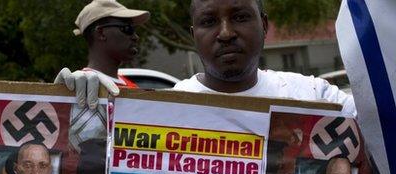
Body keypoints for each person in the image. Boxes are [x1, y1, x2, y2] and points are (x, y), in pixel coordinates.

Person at [56, 0, 356, 118]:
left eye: (239, 17)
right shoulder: (164, 114)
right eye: (209, 22)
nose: (225, 33)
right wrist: (66, 113)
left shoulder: (317, 97)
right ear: (193, 34)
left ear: (264, 26)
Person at [54, 0, 150, 109]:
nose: (135, 37)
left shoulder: (133, 87)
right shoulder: (78, 86)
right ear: (101, 33)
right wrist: (62, 95)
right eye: (128, 29)